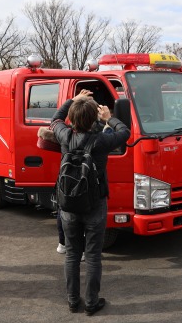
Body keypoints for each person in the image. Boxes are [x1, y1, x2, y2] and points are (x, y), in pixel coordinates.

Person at [51, 89, 130, 315]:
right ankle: (92, 303)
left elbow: (55, 119)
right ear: (94, 118)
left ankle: (73, 301)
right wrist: (109, 118)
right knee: (93, 255)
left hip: (68, 205)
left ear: (73, 119)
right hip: (95, 203)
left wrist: (73, 101)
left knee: (73, 254)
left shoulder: (64, 135)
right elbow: (124, 132)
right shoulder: (101, 140)